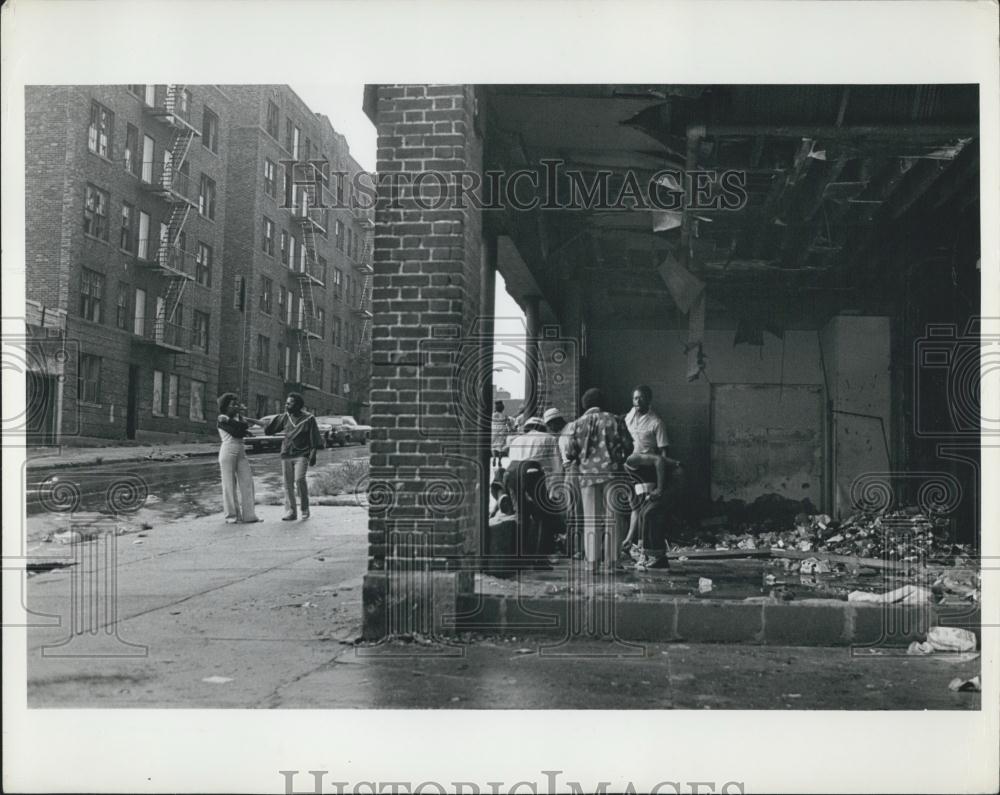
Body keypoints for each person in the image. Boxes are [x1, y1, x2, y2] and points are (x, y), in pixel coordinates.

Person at [564, 388, 630, 573]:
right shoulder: (615, 419)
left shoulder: (577, 424)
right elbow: (629, 445)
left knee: (591, 519)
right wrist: (618, 456)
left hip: (588, 476)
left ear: (585, 404)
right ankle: (611, 564)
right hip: (613, 473)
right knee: (613, 518)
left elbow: (570, 453)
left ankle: (591, 563)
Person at [622, 385, 680, 569]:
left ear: (649, 399)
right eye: (634, 398)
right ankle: (636, 546)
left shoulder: (656, 422)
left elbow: (663, 453)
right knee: (636, 507)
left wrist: (661, 480)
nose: (637, 402)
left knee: (646, 510)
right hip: (632, 467)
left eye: (640, 398)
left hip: (648, 468)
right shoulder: (629, 416)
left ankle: (643, 549)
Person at [265, 392, 325, 521]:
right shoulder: (285, 417)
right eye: (286, 403)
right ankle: (291, 511)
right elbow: (269, 428)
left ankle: (304, 508)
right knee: (288, 484)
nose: (286, 405)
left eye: (289, 402)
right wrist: (249, 421)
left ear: (297, 404)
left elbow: (314, 437)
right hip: (287, 453)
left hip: (302, 454)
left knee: (299, 479)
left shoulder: (309, 418)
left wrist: (313, 455)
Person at [216, 393, 265, 524]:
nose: (236, 407)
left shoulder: (237, 418)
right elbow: (238, 432)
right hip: (228, 451)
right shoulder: (221, 419)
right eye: (233, 405)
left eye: (237, 404)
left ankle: (250, 515)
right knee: (229, 485)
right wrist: (235, 423)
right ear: (225, 407)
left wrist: (235, 422)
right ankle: (232, 516)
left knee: (247, 482)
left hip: (241, 451)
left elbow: (244, 427)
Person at [490, 400, 510, 468]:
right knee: (501, 447)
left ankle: (494, 457)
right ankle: (499, 460)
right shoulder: (505, 416)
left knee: (493, 446)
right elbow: (509, 424)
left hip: (494, 431)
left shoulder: (492, 415)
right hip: (502, 432)